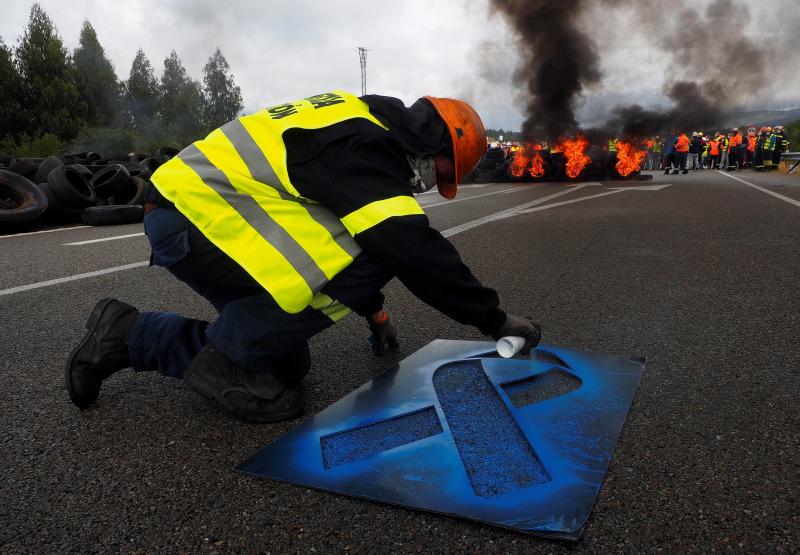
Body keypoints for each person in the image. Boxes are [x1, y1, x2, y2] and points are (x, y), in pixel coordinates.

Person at [64, 91, 542, 422]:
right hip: (198, 219)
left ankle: (126, 335)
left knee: (284, 367)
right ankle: (230, 355)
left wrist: (375, 312)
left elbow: (331, 229)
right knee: (385, 247)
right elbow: (408, 249)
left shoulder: (358, 120)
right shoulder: (367, 146)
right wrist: (495, 321)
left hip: (195, 214)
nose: (434, 184)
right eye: (444, 172)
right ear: (438, 143)